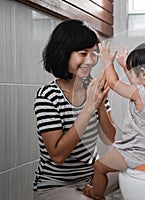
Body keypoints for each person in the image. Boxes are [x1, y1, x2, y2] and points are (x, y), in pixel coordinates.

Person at [33, 19, 118, 200]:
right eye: (82, 54)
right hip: (56, 185)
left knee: (134, 173)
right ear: (64, 53)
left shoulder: (94, 88)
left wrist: (100, 103)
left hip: (91, 178)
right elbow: (58, 155)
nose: (90, 61)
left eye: (93, 54)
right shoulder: (47, 96)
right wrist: (89, 107)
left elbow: (110, 138)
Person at [83, 41, 145, 199]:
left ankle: (96, 194)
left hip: (135, 154)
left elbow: (113, 83)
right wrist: (126, 66)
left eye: (131, 71)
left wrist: (107, 61)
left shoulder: (140, 94)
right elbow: (138, 84)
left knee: (99, 166)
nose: (129, 74)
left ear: (144, 74)